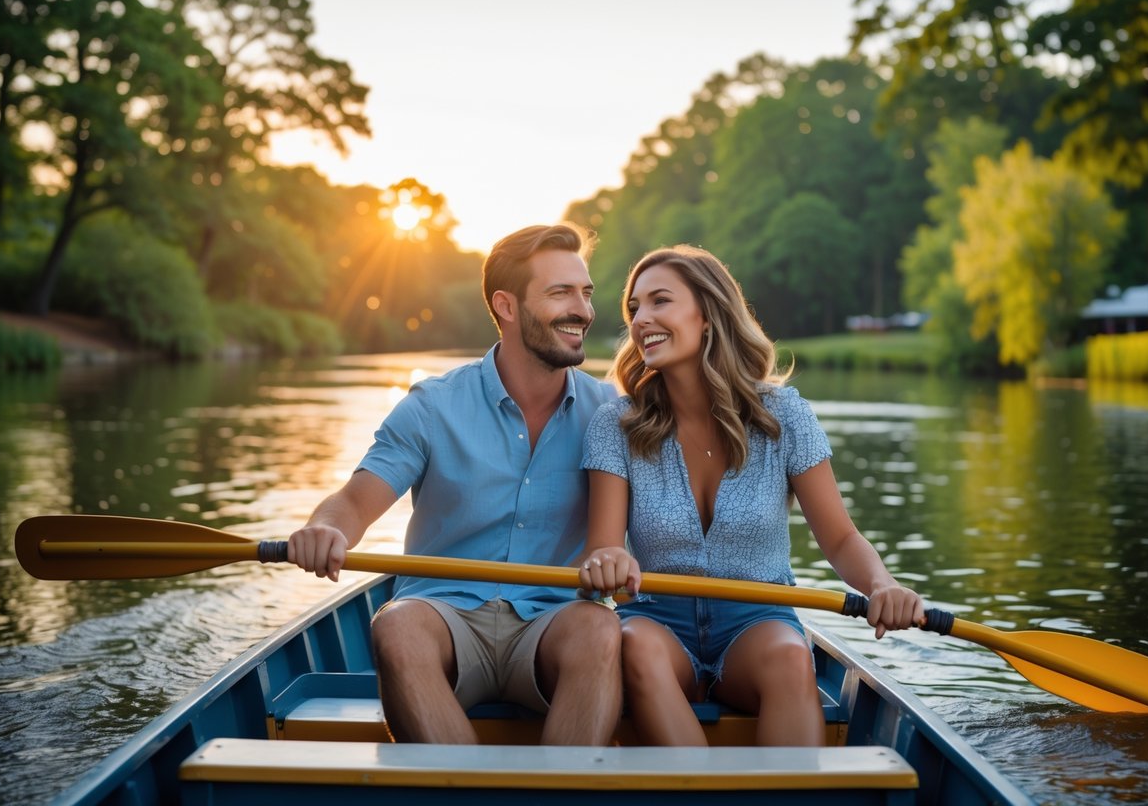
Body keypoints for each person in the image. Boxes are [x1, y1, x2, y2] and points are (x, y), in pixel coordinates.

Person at [577, 245, 924, 747]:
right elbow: (604, 547)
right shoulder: (616, 423)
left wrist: (882, 584)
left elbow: (841, 537)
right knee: (629, 644)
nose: (641, 319)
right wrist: (606, 560)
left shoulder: (785, 416)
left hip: (758, 618)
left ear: (708, 314)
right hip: (657, 619)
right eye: (634, 308)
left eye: (659, 302)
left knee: (789, 656)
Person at [288, 223, 622, 745]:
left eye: (585, 292)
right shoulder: (431, 406)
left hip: (553, 624)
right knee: (395, 625)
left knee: (602, 628)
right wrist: (325, 527)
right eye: (560, 292)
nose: (582, 309)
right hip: (444, 620)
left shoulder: (610, 415)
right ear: (507, 307)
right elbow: (354, 502)